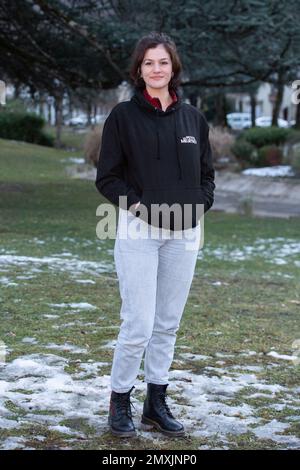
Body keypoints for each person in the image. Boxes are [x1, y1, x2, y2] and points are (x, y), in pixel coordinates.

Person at [95, 31, 215, 438]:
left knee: (167, 323)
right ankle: (120, 400)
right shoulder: (123, 117)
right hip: (139, 230)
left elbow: (207, 175)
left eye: (163, 62)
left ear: (173, 68)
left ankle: (156, 402)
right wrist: (139, 206)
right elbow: (107, 177)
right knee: (138, 324)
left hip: (184, 232)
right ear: (139, 70)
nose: (157, 69)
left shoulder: (193, 118)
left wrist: (200, 205)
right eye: (149, 63)